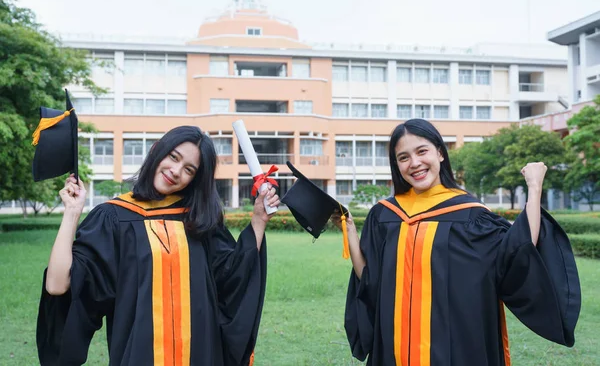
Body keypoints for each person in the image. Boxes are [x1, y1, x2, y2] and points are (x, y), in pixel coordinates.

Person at [331, 118, 581, 366]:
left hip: (455, 349)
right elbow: (370, 281)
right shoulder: (385, 215)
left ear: (440, 152)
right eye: (403, 157)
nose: (414, 163)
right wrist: (350, 228)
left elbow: (518, 255)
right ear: (396, 164)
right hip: (395, 349)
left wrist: (534, 187)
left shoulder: (470, 215)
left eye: (422, 151)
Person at [36, 125, 280, 366]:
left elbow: (232, 281)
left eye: (189, 169)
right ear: (156, 150)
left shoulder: (199, 222)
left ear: (195, 179)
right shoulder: (113, 219)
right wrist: (72, 212)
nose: (175, 171)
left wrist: (258, 220)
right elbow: (58, 285)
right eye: (173, 157)